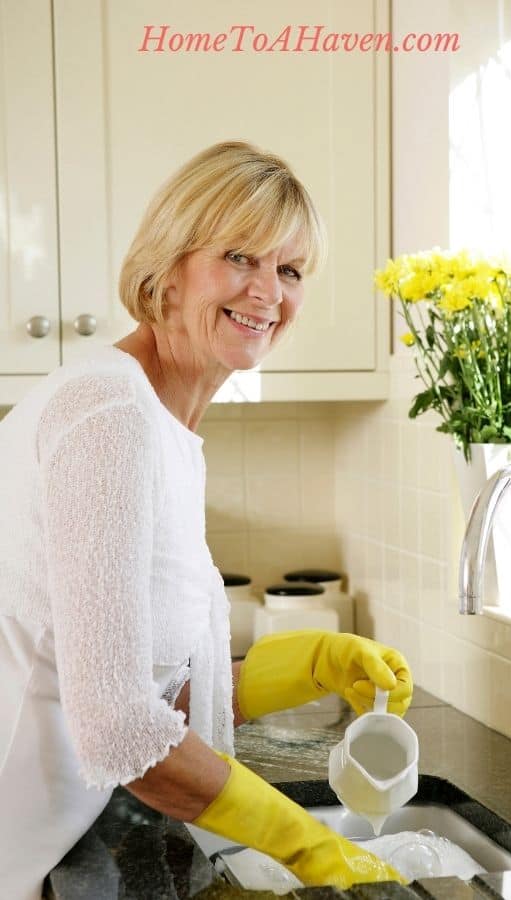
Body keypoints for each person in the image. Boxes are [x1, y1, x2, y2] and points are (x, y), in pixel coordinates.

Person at [0, 141, 413, 898]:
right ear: (169, 264)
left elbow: (143, 688)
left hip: (49, 839)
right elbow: (123, 728)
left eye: (289, 270)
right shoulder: (109, 413)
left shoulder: (160, 424)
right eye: (239, 257)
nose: (267, 292)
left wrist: (306, 664)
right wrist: (309, 845)